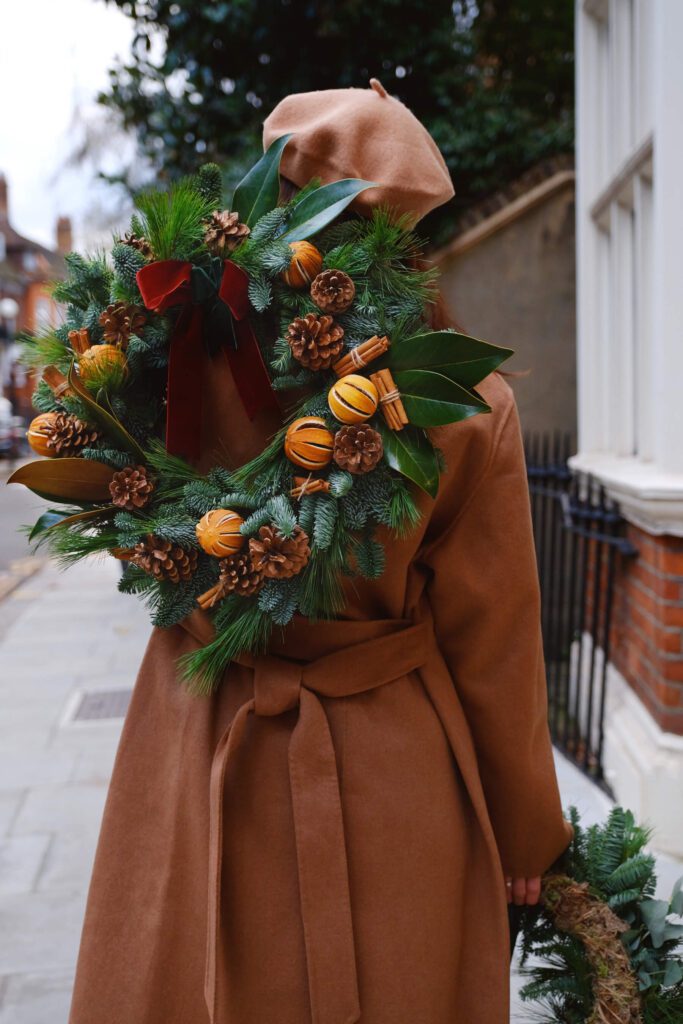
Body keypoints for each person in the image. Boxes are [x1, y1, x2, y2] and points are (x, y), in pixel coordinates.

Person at [68, 80, 573, 1024]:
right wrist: (525, 837)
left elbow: (121, 523)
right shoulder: (459, 399)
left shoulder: (158, 354)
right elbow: (492, 641)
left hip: (200, 733)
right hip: (392, 761)